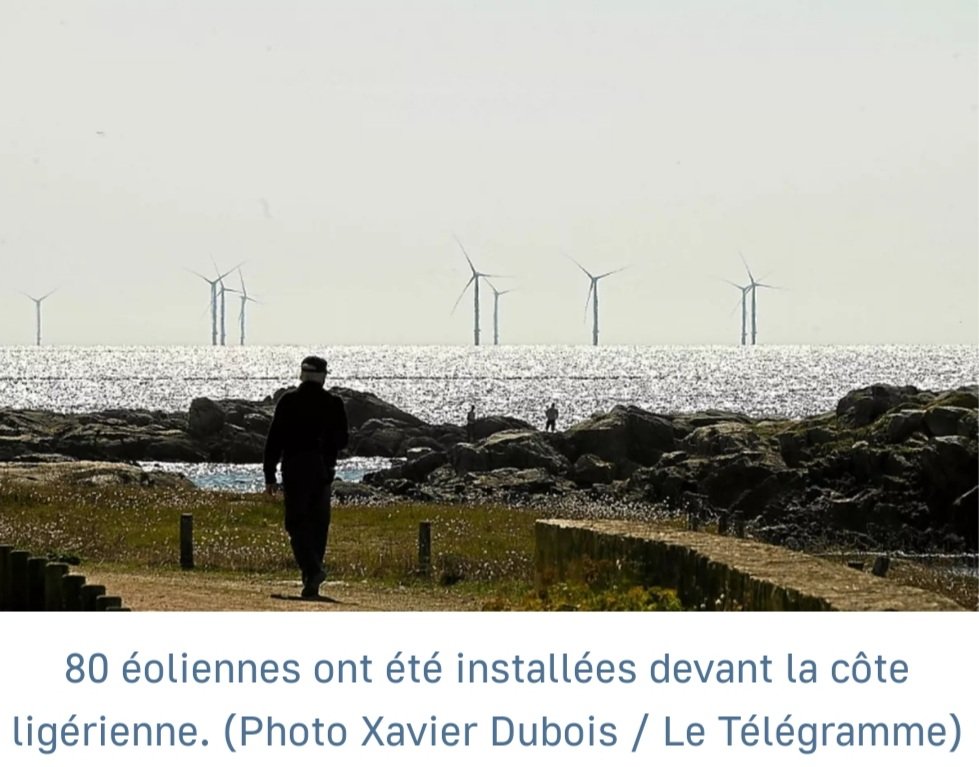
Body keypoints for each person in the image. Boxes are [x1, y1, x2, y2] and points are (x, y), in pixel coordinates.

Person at [263, 355, 349, 598]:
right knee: (318, 525)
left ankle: (312, 571)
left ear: (302, 375)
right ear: (322, 376)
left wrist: (269, 473)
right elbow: (343, 440)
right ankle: (313, 578)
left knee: (296, 523)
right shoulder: (333, 403)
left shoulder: (288, 402)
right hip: (323, 470)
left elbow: (274, 439)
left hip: (294, 468)